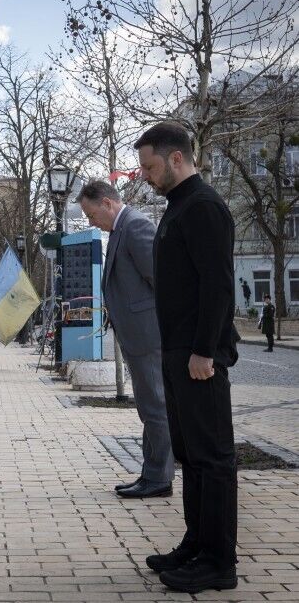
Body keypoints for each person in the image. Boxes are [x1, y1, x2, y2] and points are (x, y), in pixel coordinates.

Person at [134, 121, 239, 593]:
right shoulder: (177, 208)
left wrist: (203, 350)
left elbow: (217, 285)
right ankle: (196, 544)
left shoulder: (203, 207)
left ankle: (219, 563)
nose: (146, 176)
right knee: (191, 457)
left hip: (199, 356)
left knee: (212, 459)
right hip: (177, 351)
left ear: (177, 158)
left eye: (151, 167)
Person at [78, 180, 174, 499]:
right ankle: (152, 473)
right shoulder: (121, 230)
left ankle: (159, 477)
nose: (91, 222)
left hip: (148, 334)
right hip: (138, 334)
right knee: (149, 405)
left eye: (91, 215)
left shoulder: (135, 226)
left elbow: (161, 281)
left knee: (155, 405)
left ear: (107, 203)